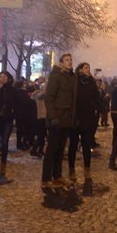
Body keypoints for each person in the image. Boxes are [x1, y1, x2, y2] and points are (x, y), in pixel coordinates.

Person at [42, 53, 77, 190]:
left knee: (61, 149)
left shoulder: (71, 76)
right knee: (52, 149)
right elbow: (49, 98)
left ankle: (57, 176)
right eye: (67, 60)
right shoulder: (56, 76)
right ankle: (45, 179)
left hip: (67, 118)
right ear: (61, 63)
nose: (69, 62)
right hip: (57, 117)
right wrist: (53, 117)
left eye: (71, 59)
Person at [69, 62, 101, 182]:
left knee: (86, 145)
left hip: (88, 118)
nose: (88, 69)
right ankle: (71, 170)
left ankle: (87, 169)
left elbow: (96, 97)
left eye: (89, 67)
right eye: (86, 67)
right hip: (76, 118)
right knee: (73, 145)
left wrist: (97, 108)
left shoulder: (92, 82)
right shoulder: (75, 81)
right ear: (80, 69)